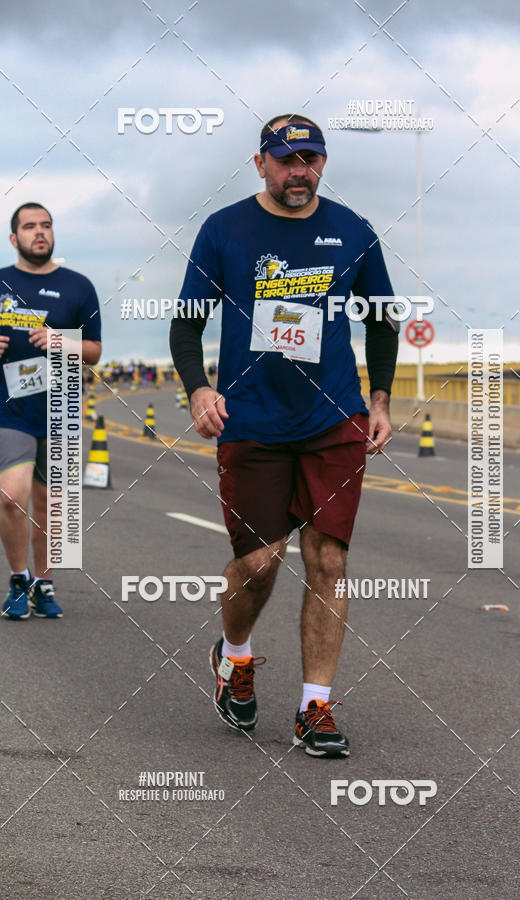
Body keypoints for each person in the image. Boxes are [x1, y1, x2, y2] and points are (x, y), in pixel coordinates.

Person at [170, 115, 398, 757]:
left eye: (312, 159)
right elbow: (186, 323)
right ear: (261, 163)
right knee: (259, 561)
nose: (301, 172)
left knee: (328, 560)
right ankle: (234, 656)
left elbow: (382, 319)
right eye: (288, 160)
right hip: (252, 422)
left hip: (333, 420)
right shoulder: (225, 230)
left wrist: (379, 398)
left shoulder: (352, 230)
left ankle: (314, 708)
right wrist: (198, 387)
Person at [0, 203, 102, 619]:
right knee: (12, 497)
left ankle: (43, 584)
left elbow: (95, 352)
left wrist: (60, 340)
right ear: (14, 238)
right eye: (29, 227)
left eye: (45, 225)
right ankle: (18, 578)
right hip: (6, 406)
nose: (39, 232)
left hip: (61, 405)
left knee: (52, 504)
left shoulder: (79, 287)